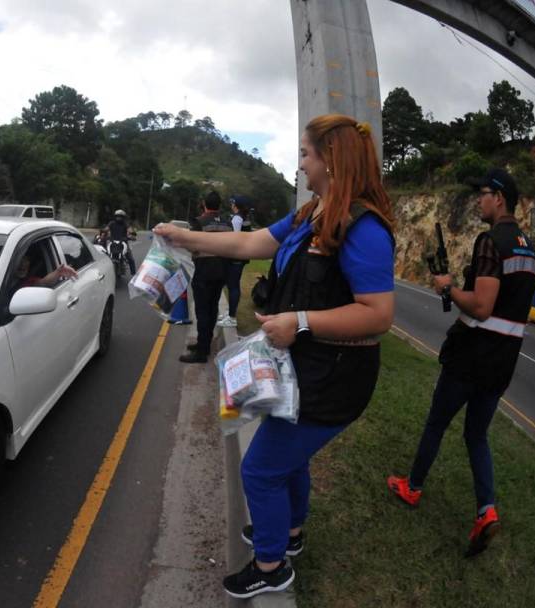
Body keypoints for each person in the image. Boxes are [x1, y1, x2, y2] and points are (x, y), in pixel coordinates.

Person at [154, 114, 395, 597]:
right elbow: (250, 241)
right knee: (289, 460)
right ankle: (289, 534)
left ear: (331, 159)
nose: (301, 163)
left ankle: (270, 567)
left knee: (260, 469)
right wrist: (186, 237)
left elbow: (378, 313)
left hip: (334, 378)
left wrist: (301, 321)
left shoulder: (363, 227)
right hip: (303, 370)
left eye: (306, 154)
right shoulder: (312, 213)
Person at [387, 168, 535, 557]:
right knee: (476, 435)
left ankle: (413, 487)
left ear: (499, 198)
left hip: (471, 357)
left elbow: (483, 307)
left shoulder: (491, 242)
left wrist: (449, 287)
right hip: (502, 363)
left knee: (437, 423)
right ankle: (486, 511)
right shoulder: (528, 248)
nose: (478, 200)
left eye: (483, 194)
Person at [178, 191, 232, 364]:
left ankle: (202, 352)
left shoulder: (198, 222)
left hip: (204, 272)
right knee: (212, 308)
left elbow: (192, 247)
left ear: (204, 204)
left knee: (202, 311)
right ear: (219, 205)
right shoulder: (227, 223)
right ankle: (204, 343)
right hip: (222, 271)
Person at [218, 196, 252, 329]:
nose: (231, 205)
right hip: (242, 255)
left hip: (236, 256)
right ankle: (230, 313)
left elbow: (235, 238)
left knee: (233, 286)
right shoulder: (245, 217)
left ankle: (231, 317)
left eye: (232, 203)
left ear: (236, 205)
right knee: (233, 284)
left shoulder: (237, 218)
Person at [105, 209, 136, 275]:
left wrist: (132, 234)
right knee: (104, 255)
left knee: (130, 258)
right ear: (115, 216)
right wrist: (103, 232)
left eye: (120, 216)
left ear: (123, 217)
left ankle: (134, 274)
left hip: (123, 243)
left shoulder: (125, 224)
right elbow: (106, 229)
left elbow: (129, 230)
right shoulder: (111, 223)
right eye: (117, 216)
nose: (118, 218)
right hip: (112, 242)